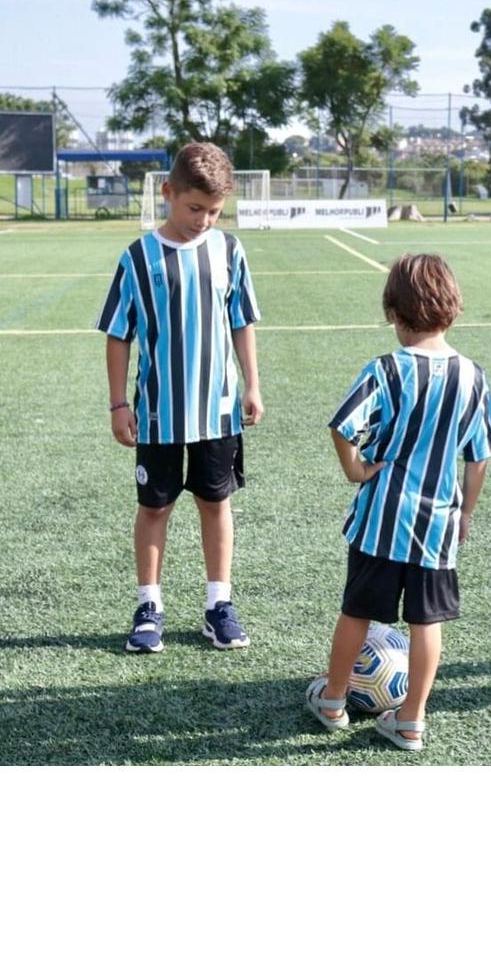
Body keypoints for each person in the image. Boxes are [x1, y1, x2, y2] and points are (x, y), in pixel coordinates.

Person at [308, 253, 491, 750]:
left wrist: (355, 469)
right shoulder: (472, 376)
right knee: (427, 622)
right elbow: (479, 456)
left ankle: (333, 700)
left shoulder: (385, 370)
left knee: (357, 610)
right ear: (453, 309)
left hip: (381, 519)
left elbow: (343, 426)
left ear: (393, 313)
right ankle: (412, 719)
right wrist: (466, 512)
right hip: (437, 524)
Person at [96, 142, 264, 653]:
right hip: (157, 413)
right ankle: (149, 606)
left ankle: (219, 605)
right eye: (195, 209)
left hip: (217, 410)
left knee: (216, 503)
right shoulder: (139, 257)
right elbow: (118, 335)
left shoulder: (229, 251)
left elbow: (242, 322)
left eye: (214, 211)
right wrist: (118, 402)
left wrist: (252, 384)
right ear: (167, 193)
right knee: (155, 507)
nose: (204, 220)